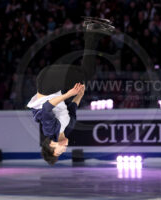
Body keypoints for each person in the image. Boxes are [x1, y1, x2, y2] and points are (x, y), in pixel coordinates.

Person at [27, 17, 114, 165]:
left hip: (48, 84)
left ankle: (91, 32)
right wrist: (80, 93)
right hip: (54, 82)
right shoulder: (67, 129)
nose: (65, 149)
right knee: (87, 73)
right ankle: (92, 33)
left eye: (60, 151)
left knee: (87, 73)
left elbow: (47, 106)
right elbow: (73, 107)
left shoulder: (50, 131)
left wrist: (68, 94)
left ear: (52, 145)